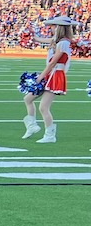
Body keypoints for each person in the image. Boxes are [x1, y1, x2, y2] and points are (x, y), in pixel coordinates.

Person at [32, 15, 77, 143]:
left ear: (59, 28)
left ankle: (50, 135)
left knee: (43, 107)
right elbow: (44, 40)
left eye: (52, 26)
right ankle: (35, 126)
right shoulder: (61, 41)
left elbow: (53, 62)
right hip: (53, 73)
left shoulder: (63, 43)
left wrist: (41, 76)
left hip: (55, 74)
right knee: (32, 100)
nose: (50, 28)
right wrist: (33, 37)